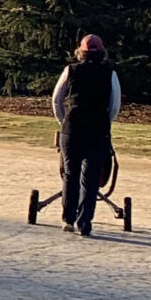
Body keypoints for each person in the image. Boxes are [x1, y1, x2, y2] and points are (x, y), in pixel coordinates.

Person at [51, 33, 121, 235]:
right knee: (90, 178)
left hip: (72, 128)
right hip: (97, 130)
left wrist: (63, 121)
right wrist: (105, 122)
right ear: (102, 52)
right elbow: (114, 105)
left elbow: (56, 100)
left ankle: (68, 220)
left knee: (70, 174)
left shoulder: (70, 70)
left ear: (80, 52)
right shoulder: (110, 74)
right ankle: (84, 224)